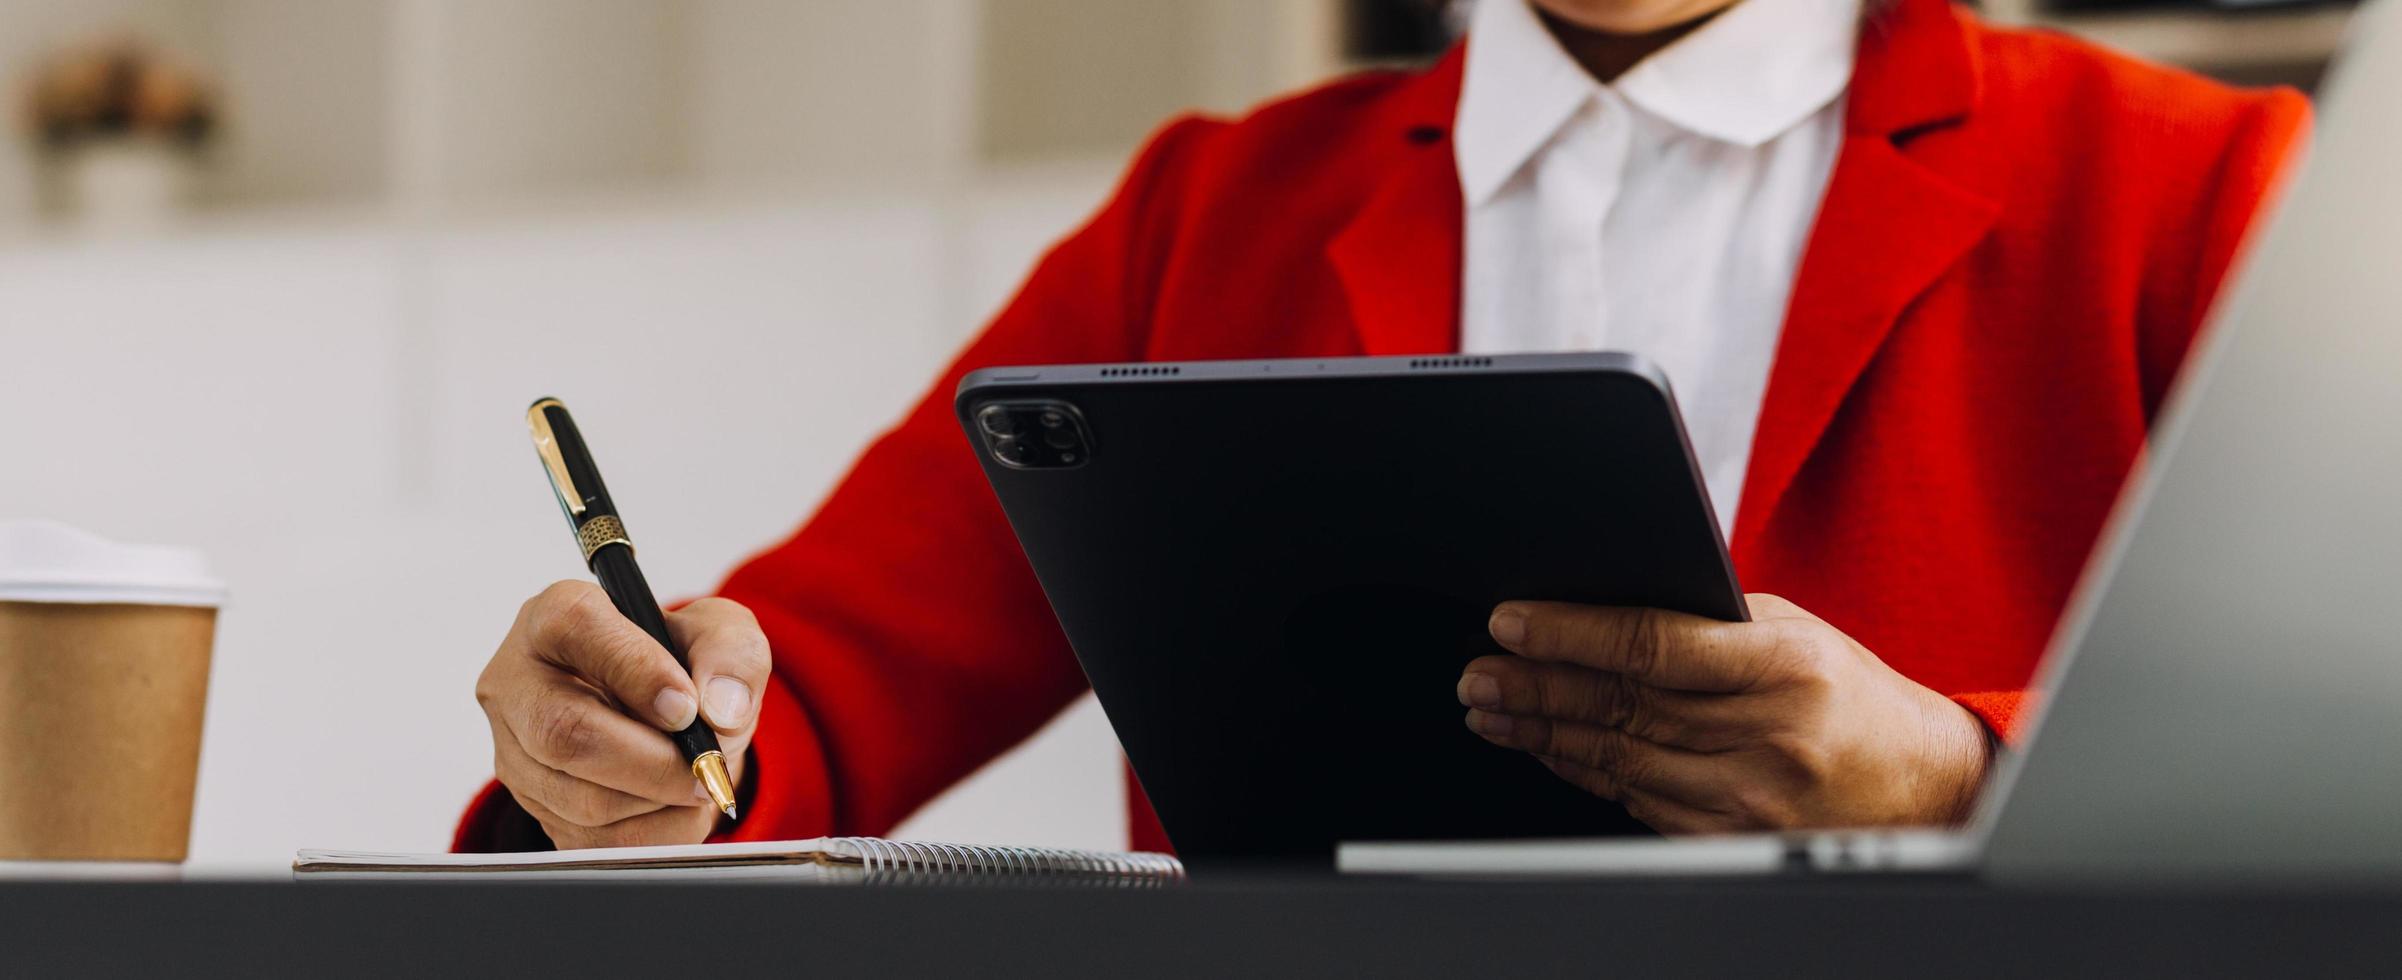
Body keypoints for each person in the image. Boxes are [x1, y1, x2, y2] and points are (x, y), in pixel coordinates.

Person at [457, 0, 2306, 851]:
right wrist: (631, 756)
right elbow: (810, 692)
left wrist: (1961, 774)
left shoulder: (2199, 186)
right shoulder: (1211, 210)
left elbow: (2339, 761)